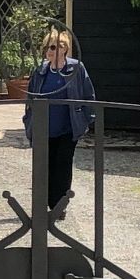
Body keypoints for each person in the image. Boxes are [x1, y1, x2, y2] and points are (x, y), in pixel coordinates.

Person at [23, 27, 95, 217]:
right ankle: (42, 205)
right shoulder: (40, 71)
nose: (49, 51)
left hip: (67, 128)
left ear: (64, 48)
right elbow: (30, 98)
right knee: (43, 167)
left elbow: (89, 96)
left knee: (62, 166)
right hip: (43, 128)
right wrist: (28, 120)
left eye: (53, 47)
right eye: (47, 47)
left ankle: (58, 207)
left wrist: (85, 120)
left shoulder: (76, 68)